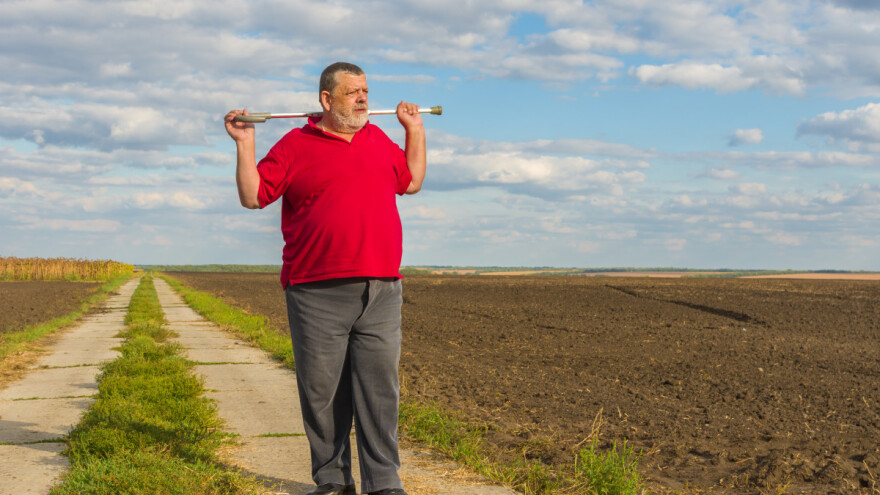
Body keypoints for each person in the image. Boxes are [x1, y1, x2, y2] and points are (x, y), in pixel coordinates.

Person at [224, 62, 425, 495]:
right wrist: (245, 143)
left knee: (379, 391)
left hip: (382, 289)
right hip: (316, 290)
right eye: (353, 92)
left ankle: (384, 482)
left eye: (366, 90)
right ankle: (333, 479)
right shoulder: (295, 144)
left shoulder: (379, 139)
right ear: (326, 99)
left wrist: (414, 130)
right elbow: (252, 195)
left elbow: (411, 183)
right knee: (323, 393)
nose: (363, 99)